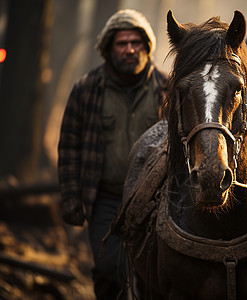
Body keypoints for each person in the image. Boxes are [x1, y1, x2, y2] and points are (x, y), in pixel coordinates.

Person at [57, 9, 167, 299]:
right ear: (108, 49)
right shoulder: (86, 90)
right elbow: (69, 146)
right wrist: (70, 197)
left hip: (156, 198)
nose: (130, 49)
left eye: (136, 43)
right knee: (109, 269)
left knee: (155, 274)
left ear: (147, 47)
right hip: (106, 200)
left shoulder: (168, 89)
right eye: (122, 43)